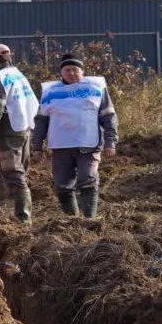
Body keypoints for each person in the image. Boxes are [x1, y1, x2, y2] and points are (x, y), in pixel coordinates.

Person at [30, 53, 118, 219]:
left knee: (87, 178)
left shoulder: (96, 88)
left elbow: (109, 116)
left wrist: (111, 141)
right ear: (61, 73)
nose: (71, 73)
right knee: (62, 184)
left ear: (82, 72)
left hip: (89, 144)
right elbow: (41, 120)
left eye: (75, 69)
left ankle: (89, 219)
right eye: (67, 70)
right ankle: (72, 219)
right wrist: (37, 146)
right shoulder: (50, 92)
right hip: (61, 145)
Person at [0, 43, 40, 224]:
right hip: (24, 128)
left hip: (9, 131)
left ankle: (23, 219)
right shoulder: (18, 75)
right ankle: (20, 213)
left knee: (14, 174)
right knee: (20, 171)